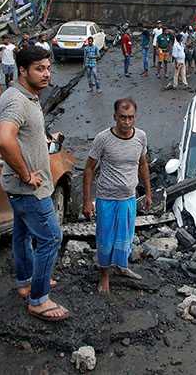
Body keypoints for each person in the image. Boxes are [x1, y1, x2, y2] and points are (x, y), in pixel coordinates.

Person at [0, 45, 69, 322]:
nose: (47, 74)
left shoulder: (25, 96)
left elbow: (23, 135)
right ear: (22, 70)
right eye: (40, 68)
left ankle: (26, 283)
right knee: (51, 237)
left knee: (23, 235)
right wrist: (26, 174)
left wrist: (47, 141)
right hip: (29, 189)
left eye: (48, 68)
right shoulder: (17, 101)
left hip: (21, 187)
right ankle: (39, 300)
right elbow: (4, 139)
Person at [82, 98, 152, 294]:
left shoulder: (141, 137)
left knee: (126, 237)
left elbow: (143, 164)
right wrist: (87, 201)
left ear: (135, 117)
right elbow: (89, 168)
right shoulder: (103, 139)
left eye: (131, 118)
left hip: (128, 198)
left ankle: (122, 266)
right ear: (115, 117)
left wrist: (148, 192)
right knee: (105, 239)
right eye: (122, 117)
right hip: (106, 199)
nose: (126, 122)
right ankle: (104, 275)